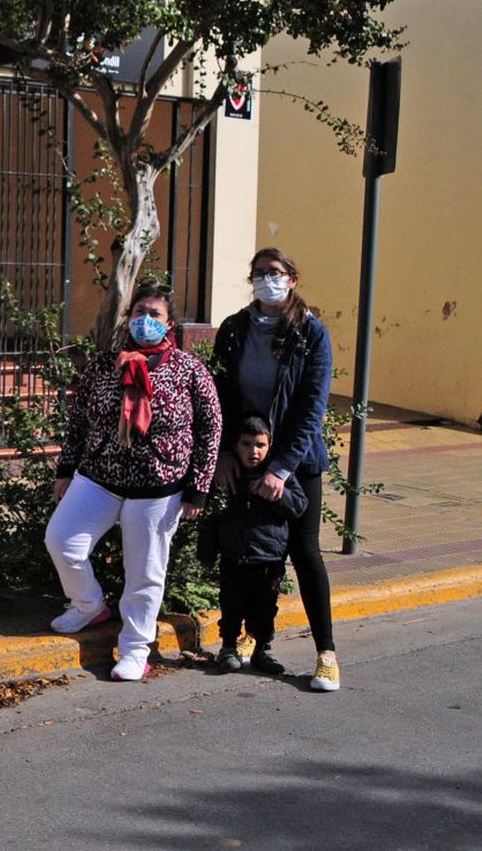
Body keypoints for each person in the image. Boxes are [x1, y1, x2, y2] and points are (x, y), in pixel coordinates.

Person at [45, 282, 222, 681]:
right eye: (139, 312)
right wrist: (65, 470)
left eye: (154, 314)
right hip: (100, 477)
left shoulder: (189, 370)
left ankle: (135, 647)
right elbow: (79, 420)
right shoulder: (104, 364)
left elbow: (211, 429)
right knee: (62, 539)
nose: (145, 321)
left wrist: (199, 487)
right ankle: (89, 604)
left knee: (144, 571)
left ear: (170, 323)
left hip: (158, 485)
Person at [212, 248, 339, 692]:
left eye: (276, 272)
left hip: (296, 463)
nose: (268, 279)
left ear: (293, 278)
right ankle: (249, 637)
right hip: (245, 458)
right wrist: (227, 454)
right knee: (251, 554)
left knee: (304, 553)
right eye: (260, 273)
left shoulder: (311, 333)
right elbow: (221, 397)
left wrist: (281, 468)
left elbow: (311, 408)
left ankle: (326, 654)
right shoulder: (233, 330)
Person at [212, 416, 307, 675]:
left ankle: (262, 648)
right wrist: (209, 549)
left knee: (265, 606)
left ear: (270, 445)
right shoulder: (230, 473)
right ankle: (228, 648)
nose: (253, 452)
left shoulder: (278, 476)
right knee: (231, 604)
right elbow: (213, 513)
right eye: (246, 444)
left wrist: (277, 494)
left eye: (260, 445)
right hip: (234, 556)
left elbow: (299, 505)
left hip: (268, 558)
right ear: (236, 445)